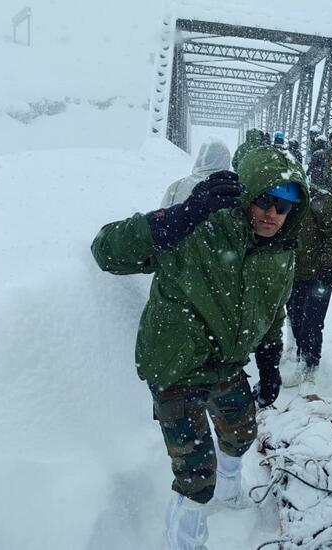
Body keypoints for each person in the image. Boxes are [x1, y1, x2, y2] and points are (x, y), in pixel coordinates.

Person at [90, 148, 309, 550]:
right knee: (196, 478)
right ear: (247, 195)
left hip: (224, 364)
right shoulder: (199, 228)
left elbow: (273, 310)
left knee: (242, 434)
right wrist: (178, 217)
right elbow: (106, 251)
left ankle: (230, 492)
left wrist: (270, 361)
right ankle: (187, 541)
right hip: (176, 365)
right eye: (265, 199)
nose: (272, 213)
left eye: (284, 205)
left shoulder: (280, 254)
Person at [283, 178, 332, 387]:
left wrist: (325, 268)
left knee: (312, 322)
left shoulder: (321, 201)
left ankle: (309, 367)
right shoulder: (286, 200)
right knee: (295, 319)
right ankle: (303, 358)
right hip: (295, 274)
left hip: (319, 275)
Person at [161, 138, 231, 207]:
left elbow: (162, 215)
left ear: (201, 156)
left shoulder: (176, 186)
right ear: (226, 160)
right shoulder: (230, 190)